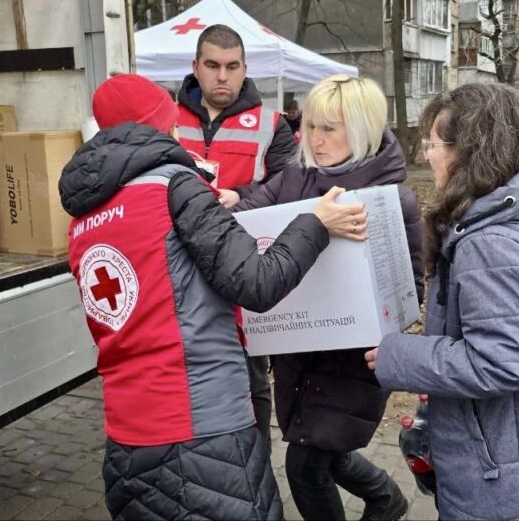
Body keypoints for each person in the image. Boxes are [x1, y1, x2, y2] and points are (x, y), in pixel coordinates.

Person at [58, 73, 368, 521]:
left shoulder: (85, 215)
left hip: (125, 436)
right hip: (203, 426)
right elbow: (258, 282)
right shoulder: (174, 186)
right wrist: (314, 223)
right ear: (164, 127)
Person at [366, 84, 519, 521]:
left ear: (473, 150)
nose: (427, 156)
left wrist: (398, 355)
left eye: (433, 144)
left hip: (514, 475)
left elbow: (504, 359)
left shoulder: (490, 242)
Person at [232, 74, 424, 521]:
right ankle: (386, 500)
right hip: (297, 354)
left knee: (306, 464)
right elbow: (241, 221)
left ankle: (385, 502)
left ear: (361, 129)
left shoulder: (393, 199)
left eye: (329, 128)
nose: (314, 140)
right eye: (311, 126)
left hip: (351, 364)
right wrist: (229, 201)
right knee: (324, 449)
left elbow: (411, 289)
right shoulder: (292, 179)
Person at [174, 24, 296, 449]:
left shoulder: (271, 124)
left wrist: (241, 196)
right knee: (186, 373)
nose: (221, 76)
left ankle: (256, 463)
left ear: (245, 69)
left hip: (245, 267)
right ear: (195, 68)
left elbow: (289, 187)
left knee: (252, 377)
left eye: (231, 66)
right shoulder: (166, 119)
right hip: (180, 268)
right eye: (212, 65)